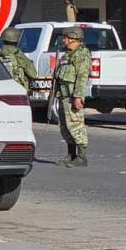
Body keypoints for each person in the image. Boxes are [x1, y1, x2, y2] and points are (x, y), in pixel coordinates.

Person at [54, 28, 92, 167]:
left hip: (72, 96)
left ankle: (82, 157)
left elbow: (82, 77)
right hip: (63, 96)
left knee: (76, 125)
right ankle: (71, 154)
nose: (64, 41)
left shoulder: (82, 54)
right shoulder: (67, 55)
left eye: (66, 38)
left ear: (73, 38)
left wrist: (78, 96)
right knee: (65, 126)